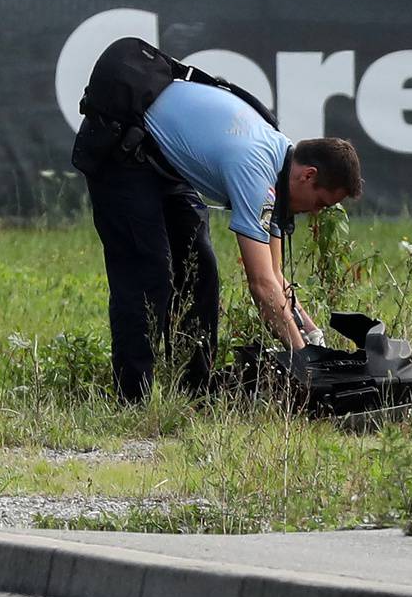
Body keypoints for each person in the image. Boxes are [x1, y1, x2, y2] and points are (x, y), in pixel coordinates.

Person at [71, 39, 362, 402]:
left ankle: (194, 393)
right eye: (319, 202)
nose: (315, 212)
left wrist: (313, 336)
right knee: (148, 273)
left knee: (199, 269)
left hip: (161, 162)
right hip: (123, 152)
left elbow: (275, 278)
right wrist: (306, 363)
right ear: (308, 175)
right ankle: (133, 398)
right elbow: (260, 287)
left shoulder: (279, 159)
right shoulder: (256, 169)